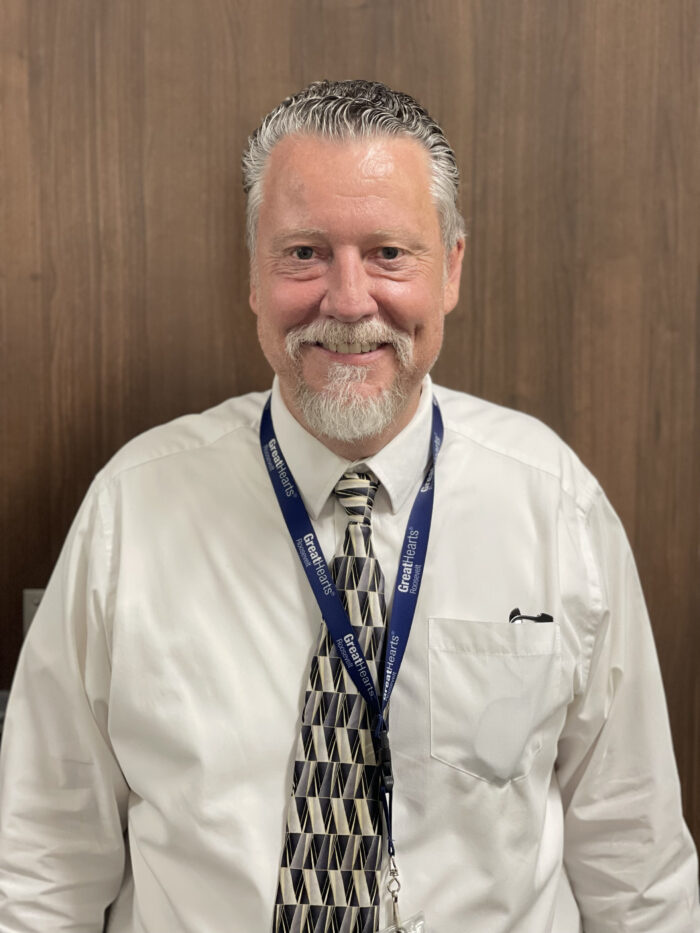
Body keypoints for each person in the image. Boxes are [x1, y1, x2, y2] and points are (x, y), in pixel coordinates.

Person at [0, 79, 697, 933]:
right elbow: (39, 865)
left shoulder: (556, 508)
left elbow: (638, 868)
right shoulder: (131, 513)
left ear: (451, 270)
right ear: (253, 274)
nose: (349, 300)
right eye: (304, 253)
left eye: (389, 253)